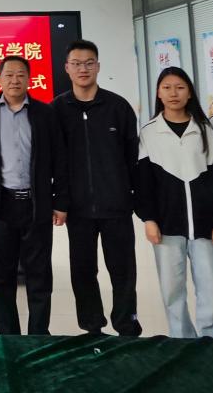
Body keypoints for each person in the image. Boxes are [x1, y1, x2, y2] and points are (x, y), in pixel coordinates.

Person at [135, 66, 213, 339]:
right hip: (167, 227)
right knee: (172, 290)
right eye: (167, 88)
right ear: (158, 93)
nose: (173, 93)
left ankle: (209, 339)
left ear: (189, 92)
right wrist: (149, 219)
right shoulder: (149, 133)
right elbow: (143, 183)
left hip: (206, 227)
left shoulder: (205, 131)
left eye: (180, 87)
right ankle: (181, 338)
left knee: (210, 290)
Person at [0, 55, 67, 335]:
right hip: (2, 204)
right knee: (2, 275)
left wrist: (60, 202)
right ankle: (7, 336)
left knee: (39, 275)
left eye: (21, 75)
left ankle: (38, 335)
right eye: (9, 75)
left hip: (37, 204)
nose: (15, 80)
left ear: (29, 79)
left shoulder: (45, 113)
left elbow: (60, 160)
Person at [52, 40, 143, 337]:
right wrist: (60, 201)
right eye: (77, 63)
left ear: (98, 66)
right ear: (67, 68)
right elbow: (53, 162)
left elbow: (133, 157)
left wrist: (134, 197)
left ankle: (126, 326)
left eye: (89, 63)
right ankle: (92, 327)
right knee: (82, 271)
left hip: (116, 205)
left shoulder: (118, 107)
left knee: (123, 270)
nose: (83, 69)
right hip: (77, 208)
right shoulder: (57, 109)